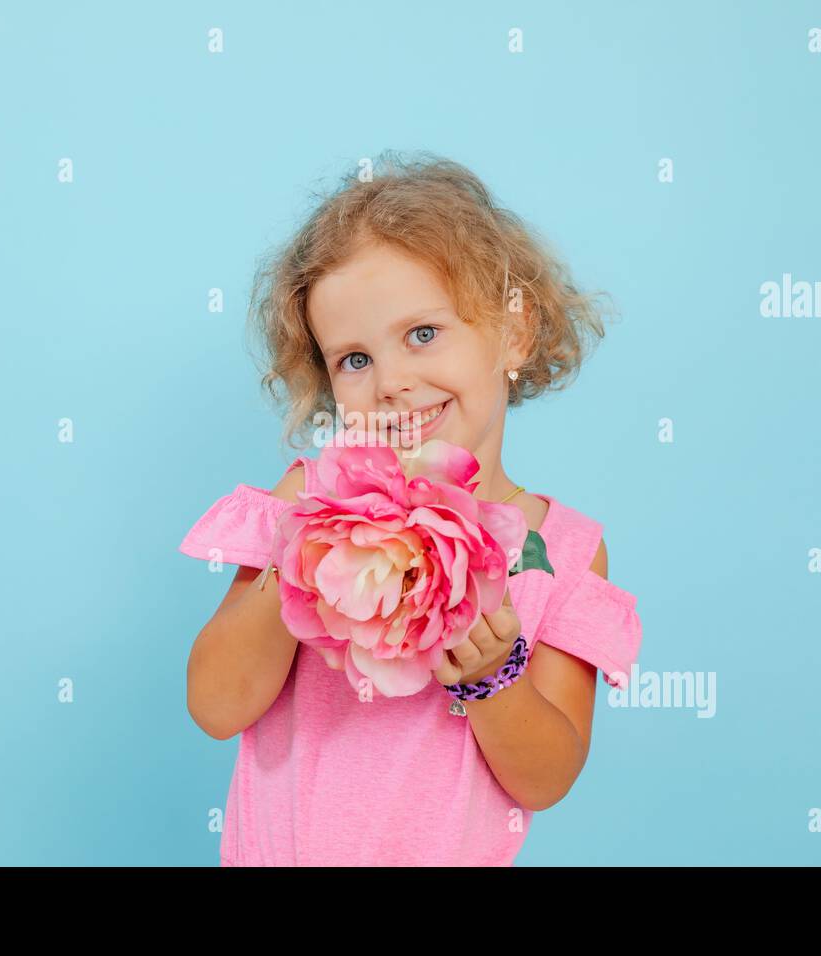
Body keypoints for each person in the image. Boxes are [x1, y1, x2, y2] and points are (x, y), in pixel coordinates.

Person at [178, 151, 642, 866]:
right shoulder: (303, 497)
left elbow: (545, 778)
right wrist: (302, 551)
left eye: (423, 334)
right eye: (354, 360)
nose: (391, 382)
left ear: (512, 335)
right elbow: (217, 704)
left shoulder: (563, 547)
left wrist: (492, 675)